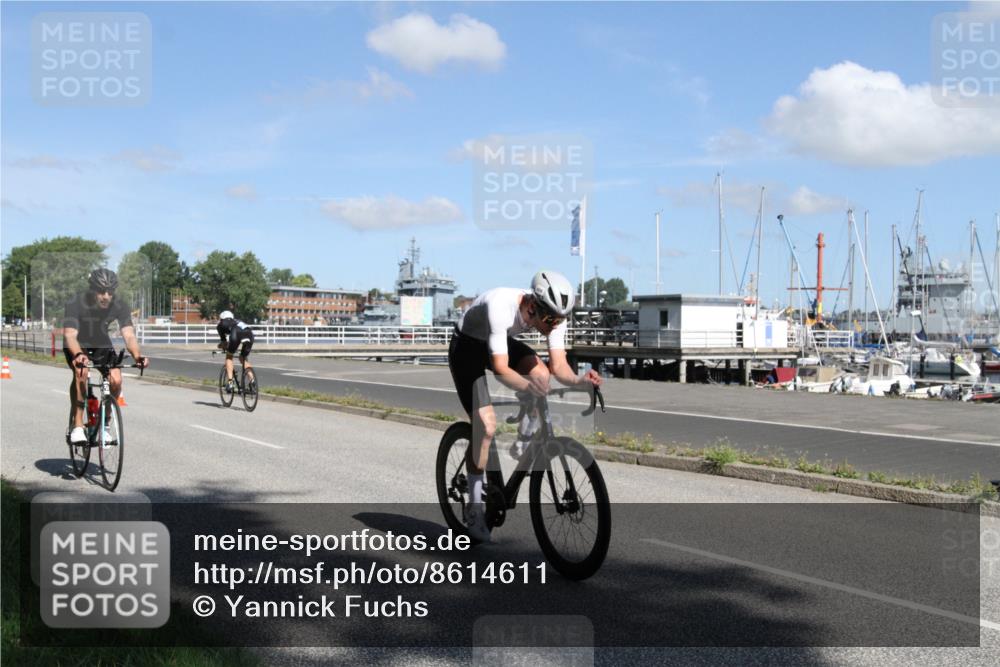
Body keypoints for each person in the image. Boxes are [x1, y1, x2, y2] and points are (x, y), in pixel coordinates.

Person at [448, 270, 602, 541]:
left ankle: (525, 438)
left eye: (560, 320)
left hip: (497, 342)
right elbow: (499, 368)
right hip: (468, 348)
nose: (555, 325)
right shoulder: (500, 305)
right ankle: (474, 507)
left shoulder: (554, 318)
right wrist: (528, 388)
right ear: (533, 306)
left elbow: (559, 367)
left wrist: (581, 381)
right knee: (485, 427)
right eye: (551, 319)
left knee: (541, 374)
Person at [63, 268, 148, 444]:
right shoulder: (76, 303)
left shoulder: (119, 305)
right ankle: (77, 425)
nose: (106, 296)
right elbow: (70, 335)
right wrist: (78, 354)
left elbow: (129, 335)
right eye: (101, 291)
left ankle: (105, 424)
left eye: (110, 292)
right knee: (81, 373)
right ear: (92, 290)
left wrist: (138, 356)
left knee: (116, 380)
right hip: (77, 343)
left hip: (100, 342)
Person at [216, 310, 254, 391]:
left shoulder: (220, 325)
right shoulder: (238, 321)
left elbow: (224, 343)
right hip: (249, 333)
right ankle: (252, 381)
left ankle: (230, 383)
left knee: (229, 357)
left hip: (236, 333)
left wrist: (220, 346)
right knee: (242, 358)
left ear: (222, 318)